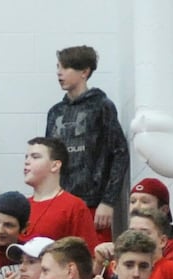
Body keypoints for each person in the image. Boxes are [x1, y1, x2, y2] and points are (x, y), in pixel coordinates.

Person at [46, 45, 130, 236]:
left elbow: (120, 153)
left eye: (66, 68)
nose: (59, 73)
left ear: (84, 71)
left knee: (94, 259)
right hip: (59, 201)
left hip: (92, 202)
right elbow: (48, 158)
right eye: (58, 67)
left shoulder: (102, 106)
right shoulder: (55, 112)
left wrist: (108, 201)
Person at [19, 137, 98, 247]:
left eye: (35, 157)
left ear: (55, 165)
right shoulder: (21, 206)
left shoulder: (74, 207)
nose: (27, 162)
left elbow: (88, 256)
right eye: (26, 157)